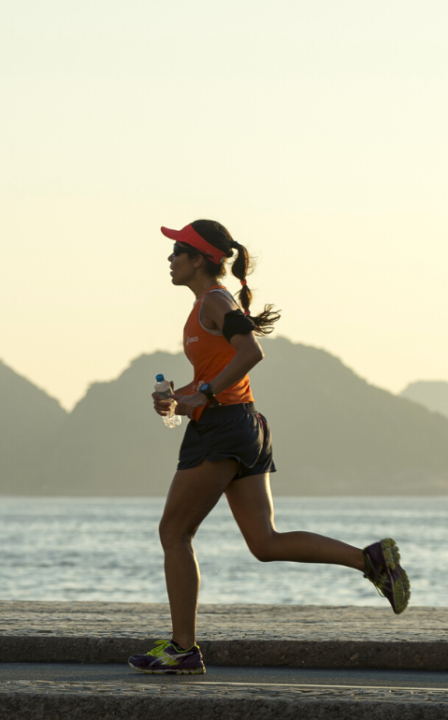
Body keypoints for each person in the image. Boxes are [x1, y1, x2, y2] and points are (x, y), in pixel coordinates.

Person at [126, 220, 409, 676]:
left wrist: (208, 395)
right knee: (265, 542)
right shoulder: (209, 304)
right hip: (243, 424)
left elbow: (251, 351)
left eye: (177, 251)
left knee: (174, 533)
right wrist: (182, 398)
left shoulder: (215, 301)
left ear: (199, 259)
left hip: (223, 428)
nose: (170, 259)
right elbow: (225, 366)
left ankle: (183, 648)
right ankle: (369, 560)